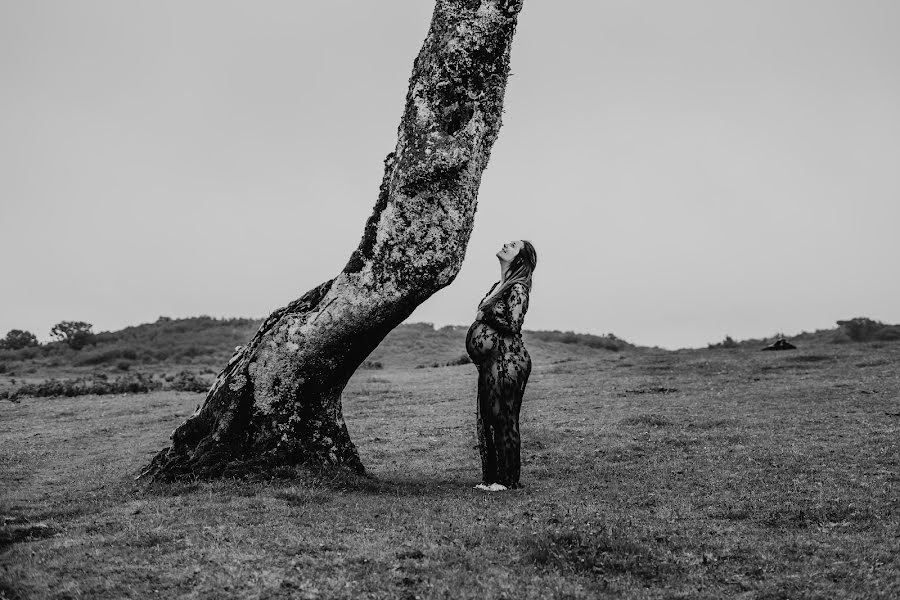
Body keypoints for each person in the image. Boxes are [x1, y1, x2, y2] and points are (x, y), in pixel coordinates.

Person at [465, 240, 537, 491]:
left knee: (504, 419)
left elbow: (513, 323)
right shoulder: (501, 286)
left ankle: (508, 481)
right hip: (493, 361)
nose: (506, 243)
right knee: (489, 418)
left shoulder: (518, 287)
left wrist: (485, 314)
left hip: (508, 360)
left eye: (514, 245)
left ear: (520, 259)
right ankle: (493, 479)